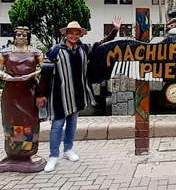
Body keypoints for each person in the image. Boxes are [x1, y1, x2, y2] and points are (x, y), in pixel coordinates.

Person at [36, 16, 123, 173]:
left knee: (72, 122)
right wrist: (41, 94)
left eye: (77, 33)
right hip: (59, 96)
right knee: (57, 126)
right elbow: (45, 73)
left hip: (77, 94)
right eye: (71, 33)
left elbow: (101, 46)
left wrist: (114, 31)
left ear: (80, 35)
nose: (74, 36)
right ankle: (53, 156)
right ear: (66, 34)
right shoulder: (55, 51)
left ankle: (68, 149)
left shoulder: (83, 50)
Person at [0, 26, 45, 169]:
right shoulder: (4, 52)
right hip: (11, 93)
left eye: (24, 35)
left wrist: (31, 75)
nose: (21, 37)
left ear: (28, 37)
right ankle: (11, 152)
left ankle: (31, 152)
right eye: (18, 34)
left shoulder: (36, 52)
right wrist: (5, 76)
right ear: (14, 36)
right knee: (10, 122)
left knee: (30, 122)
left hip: (29, 91)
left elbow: (45, 68)